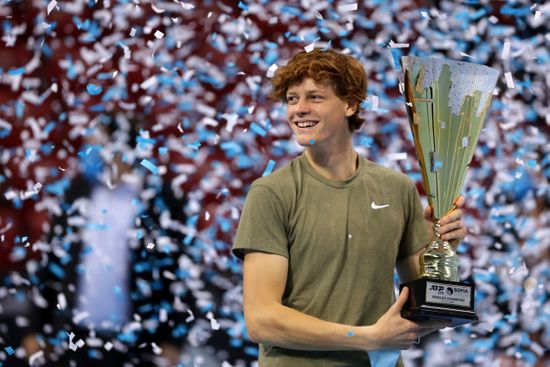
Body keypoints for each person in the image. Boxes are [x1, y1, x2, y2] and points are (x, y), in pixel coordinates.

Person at [232, 48, 467, 366]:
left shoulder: (397, 189)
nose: (299, 110)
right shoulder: (271, 193)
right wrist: (366, 338)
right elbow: (262, 320)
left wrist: (442, 249)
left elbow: (422, 305)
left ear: (350, 104)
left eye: (314, 97)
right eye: (292, 99)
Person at [21, 115, 193, 366]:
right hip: (74, 336)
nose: (89, 153)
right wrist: (35, 328)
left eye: (97, 145)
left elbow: (179, 274)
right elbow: (52, 261)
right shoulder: (76, 191)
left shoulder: (163, 201)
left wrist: (173, 341)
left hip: (140, 341)